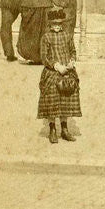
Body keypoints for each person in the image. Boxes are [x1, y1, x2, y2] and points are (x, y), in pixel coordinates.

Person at [38, 8, 81, 144]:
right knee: (52, 100)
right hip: (52, 71)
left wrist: (71, 62)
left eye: (59, 23)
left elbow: (73, 51)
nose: (56, 26)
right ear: (50, 24)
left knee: (66, 100)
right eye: (54, 24)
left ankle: (64, 129)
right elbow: (44, 57)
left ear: (62, 23)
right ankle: (52, 129)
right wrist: (57, 66)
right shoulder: (46, 37)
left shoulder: (67, 35)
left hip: (67, 71)